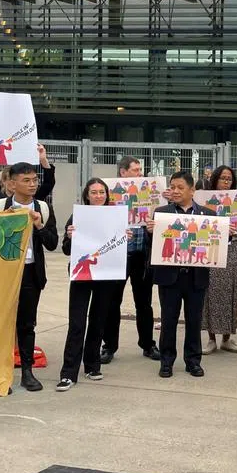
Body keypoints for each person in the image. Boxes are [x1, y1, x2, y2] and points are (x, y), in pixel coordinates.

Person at [0, 162, 59, 392]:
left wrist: (38, 225)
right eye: (26, 180)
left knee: (27, 324)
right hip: (4, 273)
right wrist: (2, 224)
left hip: (30, 272)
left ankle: (27, 372)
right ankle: (1, 373)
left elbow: (52, 243)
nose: (32, 184)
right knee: (2, 324)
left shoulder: (43, 208)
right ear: (12, 183)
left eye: (34, 180)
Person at [57, 178, 124, 391]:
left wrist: (125, 237)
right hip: (82, 275)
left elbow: (117, 247)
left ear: (107, 195)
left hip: (106, 276)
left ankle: (92, 365)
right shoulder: (78, 215)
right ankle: (69, 373)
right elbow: (67, 250)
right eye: (93, 192)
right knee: (77, 323)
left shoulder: (115, 216)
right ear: (87, 195)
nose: (98, 196)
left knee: (98, 321)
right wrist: (69, 236)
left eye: (101, 192)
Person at [147, 171, 213, 378]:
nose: (175, 191)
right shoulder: (161, 213)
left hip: (196, 276)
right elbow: (154, 248)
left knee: (194, 321)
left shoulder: (208, 215)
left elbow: (216, 244)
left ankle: (193, 361)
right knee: (168, 320)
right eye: (172, 187)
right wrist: (151, 233)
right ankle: (166, 361)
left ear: (192, 190)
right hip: (169, 276)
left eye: (180, 187)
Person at [101, 156, 158, 364]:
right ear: (123, 172)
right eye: (135, 170)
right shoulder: (109, 195)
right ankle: (109, 345)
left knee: (144, 303)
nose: (139, 173)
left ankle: (147, 344)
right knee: (112, 301)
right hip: (118, 255)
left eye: (140, 170)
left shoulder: (149, 193)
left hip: (141, 255)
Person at [202, 165, 237, 355]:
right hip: (212, 249)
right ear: (215, 180)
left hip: (233, 249)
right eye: (223, 178)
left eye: (229, 179)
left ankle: (227, 337)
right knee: (210, 293)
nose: (226, 182)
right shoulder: (206, 200)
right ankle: (211, 338)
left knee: (230, 292)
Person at [0, 142, 55, 208]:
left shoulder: (32, 197)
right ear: (3, 181)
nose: (31, 184)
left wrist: (43, 160)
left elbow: (48, 184)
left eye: (33, 180)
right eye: (10, 179)